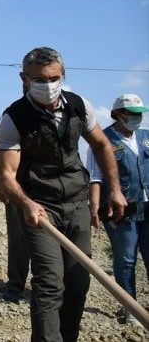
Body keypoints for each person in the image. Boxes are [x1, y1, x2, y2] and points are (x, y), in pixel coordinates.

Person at [0, 47, 127, 342]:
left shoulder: (79, 106)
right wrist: (26, 203)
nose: (48, 85)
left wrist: (115, 190)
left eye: (54, 78)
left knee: (78, 282)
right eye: (39, 79)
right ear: (24, 79)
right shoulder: (14, 118)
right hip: (40, 208)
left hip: (77, 202)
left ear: (63, 75)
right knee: (49, 284)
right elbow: (5, 175)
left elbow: (102, 146)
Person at [86, 93, 149, 327]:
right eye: (132, 115)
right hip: (122, 211)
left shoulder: (146, 138)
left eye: (139, 114)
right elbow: (95, 177)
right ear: (119, 115)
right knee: (126, 259)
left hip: (148, 207)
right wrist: (94, 208)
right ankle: (130, 308)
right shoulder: (103, 140)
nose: (137, 119)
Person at [0, 85, 31, 303]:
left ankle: (46, 285)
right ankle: (16, 284)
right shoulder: (13, 114)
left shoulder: (61, 112)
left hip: (49, 189)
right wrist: (1, 183)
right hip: (17, 186)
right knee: (18, 239)